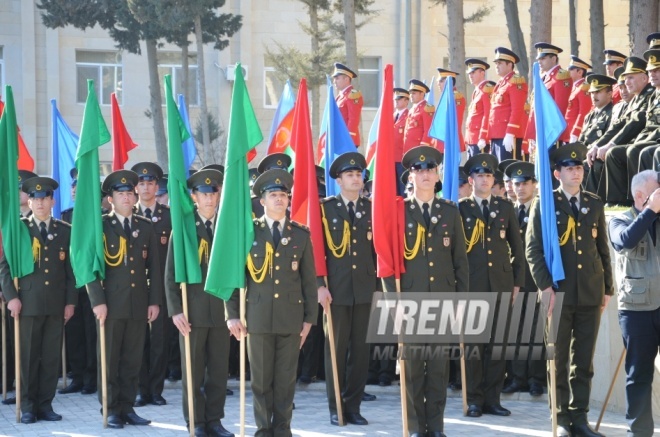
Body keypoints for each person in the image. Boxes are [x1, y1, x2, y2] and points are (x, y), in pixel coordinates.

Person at [526, 143, 613, 437]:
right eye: (569, 168)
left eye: (579, 167)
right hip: (558, 293)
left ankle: (579, 417)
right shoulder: (546, 204)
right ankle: (561, 418)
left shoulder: (594, 202)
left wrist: (608, 288)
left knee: (583, 361)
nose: (576, 172)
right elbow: (533, 249)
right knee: (559, 358)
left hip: (590, 291)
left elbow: (603, 250)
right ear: (557, 172)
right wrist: (544, 286)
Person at [382, 145, 468, 437]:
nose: (426, 175)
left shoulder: (449, 211)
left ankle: (437, 427)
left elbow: (460, 263)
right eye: (420, 171)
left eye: (431, 170)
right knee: (413, 371)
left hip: (443, 303)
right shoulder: (397, 212)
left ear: (437, 174)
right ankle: (416, 427)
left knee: (439, 370)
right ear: (411, 176)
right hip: (410, 303)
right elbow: (387, 262)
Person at [226, 169, 318, 437]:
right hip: (258, 316)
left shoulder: (300, 235)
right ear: (262, 201)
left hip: (291, 318)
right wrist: (232, 314)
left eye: (283, 195)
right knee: (262, 381)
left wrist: (309, 319)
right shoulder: (249, 233)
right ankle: (264, 429)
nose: (279, 199)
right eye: (273, 195)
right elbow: (235, 278)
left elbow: (309, 281)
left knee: (286, 380)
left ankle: (283, 429)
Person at [86, 169, 163, 429]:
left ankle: (128, 407)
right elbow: (90, 267)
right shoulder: (101, 226)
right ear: (110, 199)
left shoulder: (144, 226)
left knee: (132, 359)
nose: (127, 198)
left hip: (138, 304)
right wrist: (97, 301)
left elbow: (154, 267)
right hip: (110, 304)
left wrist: (154, 301)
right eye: (121, 194)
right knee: (109, 359)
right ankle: (110, 408)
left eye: (130, 193)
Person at [0, 177, 76, 423]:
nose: (40, 203)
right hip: (26, 304)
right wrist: (11, 297)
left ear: (52, 201)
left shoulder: (64, 231)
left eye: (45, 199)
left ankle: (46, 405)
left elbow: (71, 272)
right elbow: (5, 268)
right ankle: (29, 406)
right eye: (35, 199)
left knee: (51, 357)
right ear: (29, 202)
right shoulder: (20, 230)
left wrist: (70, 302)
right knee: (28, 358)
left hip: (55, 305)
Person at [165, 169, 234, 437]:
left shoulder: (227, 227)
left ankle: (215, 419)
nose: (209, 198)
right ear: (194, 196)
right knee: (192, 372)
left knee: (218, 371)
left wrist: (235, 310)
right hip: (191, 312)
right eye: (203, 194)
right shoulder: (183, 230)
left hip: (221, 310)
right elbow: (170, 275)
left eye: (213, 192)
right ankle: (195, 422)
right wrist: (175, 311)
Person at [460, 153, 524, 418]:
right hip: (472, 285)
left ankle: (492, 399)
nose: (484, 179)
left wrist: (517, 283)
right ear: (471, 179)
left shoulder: (505, 208)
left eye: (488, 175)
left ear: (493, 179)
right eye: (479, 175)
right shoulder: (460, 208)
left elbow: (517, 249)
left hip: (501, 283)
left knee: (498, 344)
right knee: (474, 345)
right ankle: (474, 399)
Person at [316, 152, 378, 426]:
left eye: (359, 174)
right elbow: (315, 251)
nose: (356, 178)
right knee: (335, 351)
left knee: (361, 352)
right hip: (335, 290)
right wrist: (318, 285)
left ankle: (353, 406)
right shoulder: (325, 209)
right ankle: (336, 406)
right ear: (339, 180)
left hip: (365, 290)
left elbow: (380, 252)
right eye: (350, 175)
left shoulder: (372, 209)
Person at [608, 169, 660, 437]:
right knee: (639, 375)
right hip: (636, 310)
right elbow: (625, 241)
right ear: (640, 195)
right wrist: (649, 211)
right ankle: (639, 433)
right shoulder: (619, 220)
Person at [500, 162, 545, 397]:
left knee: (537, 330)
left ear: (534, 184)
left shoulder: (543, 211)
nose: (520, 188)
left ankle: (536, 379)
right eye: (516, 184)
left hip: (538, 279)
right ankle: (518, 377)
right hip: (516, 280)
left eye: (525, 183)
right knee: (516, 330)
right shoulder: (508, 211)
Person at [131, 162, 172, 408]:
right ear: (135, 187)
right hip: (135, 288)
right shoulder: (129, 216)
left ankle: (156, 390)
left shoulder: (168, 216)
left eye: (150, 182)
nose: (146, 187)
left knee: (159, 341)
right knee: (137, 342)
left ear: (157, 186)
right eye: (142, 183)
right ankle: (139, 389)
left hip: (162, 289)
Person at [59, 168, 98, 396]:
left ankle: (92, 377)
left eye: (80, 186)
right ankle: (77, 375)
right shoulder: (65, 217)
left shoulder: (99, 216)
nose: (75, 190)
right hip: (72, 283)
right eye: (73, 186)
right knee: (74, 332)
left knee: (92, 332)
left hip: (93, 282)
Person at [597, 56, 655, 206]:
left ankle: (635, 199)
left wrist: (612, 144)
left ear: (644, 78)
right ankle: (613, 200)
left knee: (633, 150)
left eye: (630, 78)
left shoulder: (649, 94)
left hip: (652, 140)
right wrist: (598, 145)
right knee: (610, 153)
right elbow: (619, 126)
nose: (626, 83)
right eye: (625, 79)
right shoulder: (640, 98)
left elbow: (639, 122)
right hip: (645, 139)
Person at [526, 42, 573, 148]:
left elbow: (559, 108)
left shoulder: (560, 77)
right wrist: (532, 133)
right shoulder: (543, 78)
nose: (539, 62)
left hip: (552, 132)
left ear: (553, 59)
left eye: (543, 58)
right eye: (538, 59)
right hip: (541, 130)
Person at [488, 47, 528, 162]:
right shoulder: (501, 83)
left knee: (509, 170)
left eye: (500, 63)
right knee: (499, 172)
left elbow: (517, 109)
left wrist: (510, 133)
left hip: (508, 134)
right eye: (496, 63)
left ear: (510, 64)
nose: (496, 66)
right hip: (497, 134)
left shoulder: (515, 82)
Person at [582, 74, 617, 197]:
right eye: (592, 92)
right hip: (586, 153)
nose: (594, 96)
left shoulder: (613, 113)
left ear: (609, 94)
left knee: (585, 165)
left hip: (599, 155)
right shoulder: (590, 116)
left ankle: (591, 199)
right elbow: (582, 141)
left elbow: (609, 136)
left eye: (598, 92)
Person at [632, 49, 660, 173]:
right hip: (651, 138)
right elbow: (648, 125)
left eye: (656, 70)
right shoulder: (653, 96)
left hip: (656, 139)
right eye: (650, 71)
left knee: (640, 151)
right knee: (615, 153)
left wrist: (644, 140)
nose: (652, 74)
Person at [464, 58, 494, 158]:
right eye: (469, 73)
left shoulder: (487, 89)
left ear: (482, 73)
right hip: (472, 139)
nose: (470, 76)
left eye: (473, 72)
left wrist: (483, 136)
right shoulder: (477, 91)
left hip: (479, 139)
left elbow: (488, 114)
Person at [435, 68, 466, 155]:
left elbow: (456, 122)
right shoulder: (445, 98)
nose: (438, 83)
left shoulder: (456, 97)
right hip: (441, 142)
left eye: (441, 81)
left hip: (451, 141)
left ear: (449, 82)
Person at [332, 62, 363, 147]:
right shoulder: (339, 97)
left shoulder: (353, 95)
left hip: (346, 140)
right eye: (334, 78)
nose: (334, 81)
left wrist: (347, 139)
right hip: (338, 139)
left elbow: (353, 119)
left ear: (346, 79)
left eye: (337, 78)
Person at [565, 56, 593, 143]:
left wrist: (575, 132)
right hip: (567, 132)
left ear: (580, 72)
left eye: (570, 70)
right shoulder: (574, 88)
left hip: (575, 133)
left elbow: (584, 113)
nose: (567, 72)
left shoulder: (584, 88)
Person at [403, 79, 434, 155]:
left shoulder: (426, 108)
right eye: (410, 93)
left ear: (422, 94)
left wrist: (423, 148)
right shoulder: (412, 109)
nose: (411, 96)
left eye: (414, 93)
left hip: (419, 150)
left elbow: (428, 131)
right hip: (409, 149)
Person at [393, 87, 410, 195]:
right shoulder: (393, 116)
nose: (397, 101)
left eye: (399, 99)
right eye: (396, 99)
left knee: (402, 188)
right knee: (393, 189)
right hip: (392, 157)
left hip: (402, 157)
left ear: (406, 101)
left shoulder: (409, 115)